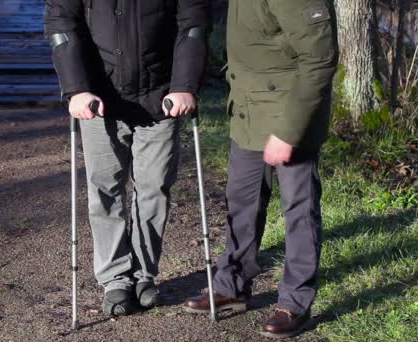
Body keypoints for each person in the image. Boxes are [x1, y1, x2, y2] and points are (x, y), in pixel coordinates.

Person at [182, 0, 338, 338]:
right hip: (249, 112)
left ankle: (295, 302)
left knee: (299, 209)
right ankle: (231, 285)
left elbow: (320, 57)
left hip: (290, 118)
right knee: (241, 202)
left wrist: (288, 132)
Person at [45, 0, 210, 316]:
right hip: (99, 100)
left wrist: (185, 85)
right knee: (106, 189)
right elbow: (61, 26)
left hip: (161, 98)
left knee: (154, 187)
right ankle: (115, 280)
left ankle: (144, 275)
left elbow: (194, 24)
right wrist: (77, 89)